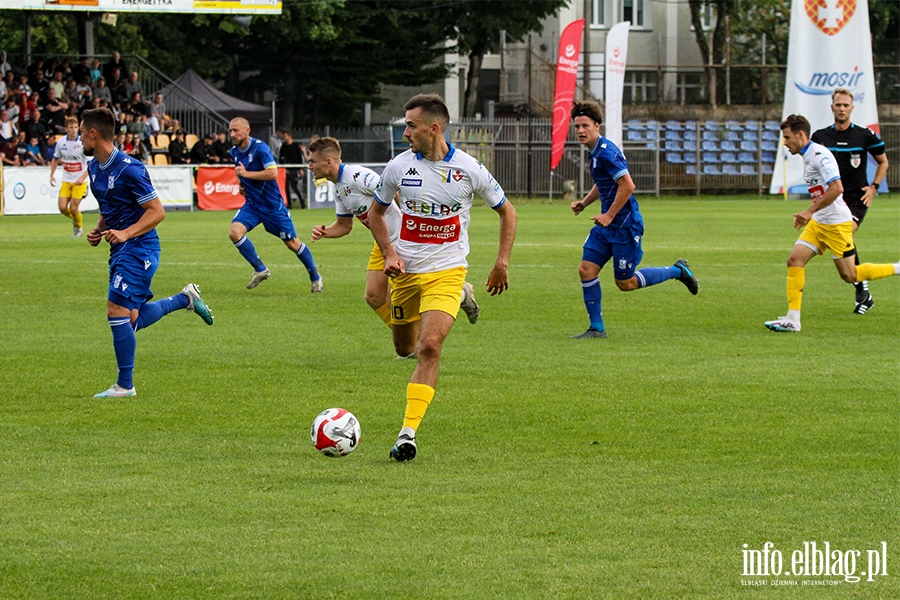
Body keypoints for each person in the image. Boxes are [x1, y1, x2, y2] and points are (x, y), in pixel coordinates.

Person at [368, 93, 517, 461]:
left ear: (433, 129)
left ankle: (407, 434)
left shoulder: (470, 169)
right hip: (406, 274)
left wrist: (502, 262)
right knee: (404, 348)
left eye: (410, 126)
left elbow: (507, 212)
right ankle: (463, 296)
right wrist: (389, 253)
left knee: (430, 347)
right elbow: (375, 213)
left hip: (447, 270)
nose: (404, 132)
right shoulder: (398, 167)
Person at [80, 107, 213, 397]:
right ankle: (184, 299)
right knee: (130, 320)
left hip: (140, 248)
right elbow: (109, 206)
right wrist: (98, 228)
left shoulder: (130, 168)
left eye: (81, 134)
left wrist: (126, 232)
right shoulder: (93, 168)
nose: (79, 140)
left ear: (93, 134)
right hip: (119, 248)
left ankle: (124, 386)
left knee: (115, 311)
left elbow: (157, 212)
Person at [568, 101, 698, 339]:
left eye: (585, 125)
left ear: (597, 126)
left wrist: (609, 214)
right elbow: (604, 182)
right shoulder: (595, 151)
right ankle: (597, 329)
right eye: (576, 126)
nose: (580, 131)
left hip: (625, 225)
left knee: (625, 283)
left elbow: (627, 185)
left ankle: (677, 271)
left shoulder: (607, 151)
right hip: (605, 226)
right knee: (586, 270)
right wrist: (585, 203)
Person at [764, 114, 899, 333]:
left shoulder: (819, 155)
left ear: (800, 135)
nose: (785, 143)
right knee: (794, 260)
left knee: (850, 275)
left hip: (836, 223)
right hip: (820, 222)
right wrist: (812, 214)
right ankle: (793, 319)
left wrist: (809, 210)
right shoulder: (808, 156)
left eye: (788, 137)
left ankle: (897, 268)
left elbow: (837, 188)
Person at [308, 136, 407, 343]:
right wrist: (325, 232)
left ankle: (458, 293)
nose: (310, 166)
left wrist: (408, 224)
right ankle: (409, 340)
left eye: (313, 161)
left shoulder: (357, 176)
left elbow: (392, 192)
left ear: (328, 162)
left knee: (402, 296)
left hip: (400, 240)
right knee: (373, 296)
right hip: (382, 243)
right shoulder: (338, 187)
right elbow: (344, 225)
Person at [811, 88, 890, 315]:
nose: (842, 109)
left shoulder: (864, 136)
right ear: (832, 107)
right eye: (838, 105)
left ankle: (861, 288)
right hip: (832, 200)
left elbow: (883, 162)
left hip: (856, 199)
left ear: (852, 108)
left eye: (846, 105)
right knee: (838, 239)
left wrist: (874, 187)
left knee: (844, 233)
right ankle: (862, 289)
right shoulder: (821, 137)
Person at [227, 117, 323, 292]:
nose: (232, 134)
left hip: (272, 207)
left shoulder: (260, 148)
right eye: (230, 131)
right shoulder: (234, 151)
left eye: (235, 130)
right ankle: (260, 269)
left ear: (247, 131)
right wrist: (242, 185)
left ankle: (315, 277)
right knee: (234, 232)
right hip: (253, 205)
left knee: (292, 244)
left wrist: (247, 175)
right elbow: (240, 171)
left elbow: (273, 174)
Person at [51, 116, 90, 236]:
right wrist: (51, 175)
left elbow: (91, 164)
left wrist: (82, 178)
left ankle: (78, 229)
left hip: (80, 181)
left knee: (73, 208)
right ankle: (76, 218)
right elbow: (55, 159)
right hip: (66, 180)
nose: (73, 130)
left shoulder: (83, 143)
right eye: (70, 127)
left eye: (75, 127)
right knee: (62, 208)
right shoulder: (61, 142)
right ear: (66, 129)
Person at [276, 127, 306, 208]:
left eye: (285, 135)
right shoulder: (283, 147)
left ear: (289, 136)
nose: (283, 137)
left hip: (294, 170)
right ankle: (289, 204)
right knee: (286, 188)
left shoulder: (295, 146)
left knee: (294, 187)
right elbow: (280, 158)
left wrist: (301, 169)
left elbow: (299, 158)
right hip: (286, 170)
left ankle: (302, 203)